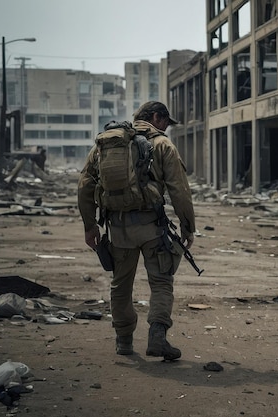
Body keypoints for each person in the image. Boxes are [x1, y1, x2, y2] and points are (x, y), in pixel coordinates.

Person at [77, 101, 195, 361]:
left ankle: (124, 342)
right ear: (155, 117)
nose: (166, 128)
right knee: (162, 281)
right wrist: (188, 227)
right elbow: (179, 190)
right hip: (152, 227)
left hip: (118, 229)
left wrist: (90, 226)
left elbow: (85, 186)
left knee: (120, 286)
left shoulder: (107, 144)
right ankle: (157, 337)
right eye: (165, 121)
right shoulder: (163, 145)